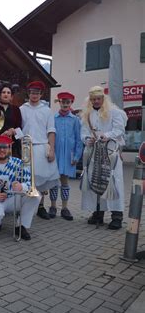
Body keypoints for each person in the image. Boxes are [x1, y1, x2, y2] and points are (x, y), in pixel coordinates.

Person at [80, 86, 127, 229]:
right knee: (95, 180)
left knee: (113, 181)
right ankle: (98, 212)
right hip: (94, 153)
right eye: (93, 99)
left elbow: (119, 129)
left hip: (110, 152)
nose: (95, 101)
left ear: (103, 98)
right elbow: (83, 132)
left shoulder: (115, 112)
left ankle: (117, 216)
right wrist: (87, 139)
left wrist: (107, 136)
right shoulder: (87, 114)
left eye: (98, 99)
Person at [0, 135, 40, 240]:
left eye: (5, 147)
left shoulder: (19, 163)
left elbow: (30, 183)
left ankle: (21, 226)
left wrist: (21, 186)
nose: (2, 150)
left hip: (13, 198)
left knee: (35, 197)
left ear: (9, 148)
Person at [20, 81, 60, 220]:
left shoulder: (47, 110)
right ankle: (25, 207)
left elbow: (51, 130)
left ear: (41, 94)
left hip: (42, 146)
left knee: (42, 181)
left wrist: (52, 150)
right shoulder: (22, 109)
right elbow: (19, 128)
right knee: (26, 179)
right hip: (25, 147)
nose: (34, 95)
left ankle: (41, 206)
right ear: (28, 93)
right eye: (32, 92)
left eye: (37, 93)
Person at [48, 92, 83, 220]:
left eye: (68, 102)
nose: (65, 104)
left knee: (64, 181)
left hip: (68, 156)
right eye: (63, 102)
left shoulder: (75, 120)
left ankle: (65, 207)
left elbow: (79, 140)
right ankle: (52, 206)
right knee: (53, 181)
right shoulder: (53, 118)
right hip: (55, 155)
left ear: (71, 103)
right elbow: (50, 135)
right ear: (59, 102)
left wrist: (76, 156)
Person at [0, 82, 22, 157]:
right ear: (0, 94)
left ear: (11, 96)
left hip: (12, 147)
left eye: (8, 93)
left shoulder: (16, 110)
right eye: (3, 92)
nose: (6, 94)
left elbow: (20, 130)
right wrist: (1, 135)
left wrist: (14, 131)